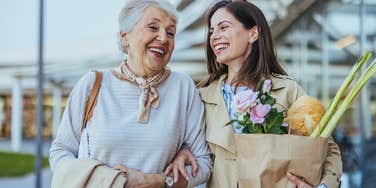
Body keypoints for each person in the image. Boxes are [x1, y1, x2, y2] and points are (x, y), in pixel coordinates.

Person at [165, 1, 342, 188]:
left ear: (253, 33)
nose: (214, 36)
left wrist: (322, 187)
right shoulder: (200, 97)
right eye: (211, 31)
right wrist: (183, 150)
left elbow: (327, 148)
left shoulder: (287, 91)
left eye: (223, 27)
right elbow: (185, 144)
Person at [49, 0, 212, 187]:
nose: (163, 38)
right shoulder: (92, 84)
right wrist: (109, 181)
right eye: (153, 27)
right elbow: (61, 150)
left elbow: (203, 164)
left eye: (170, 32)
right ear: (125, 37)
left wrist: (157, 181)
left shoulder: (183, 87)